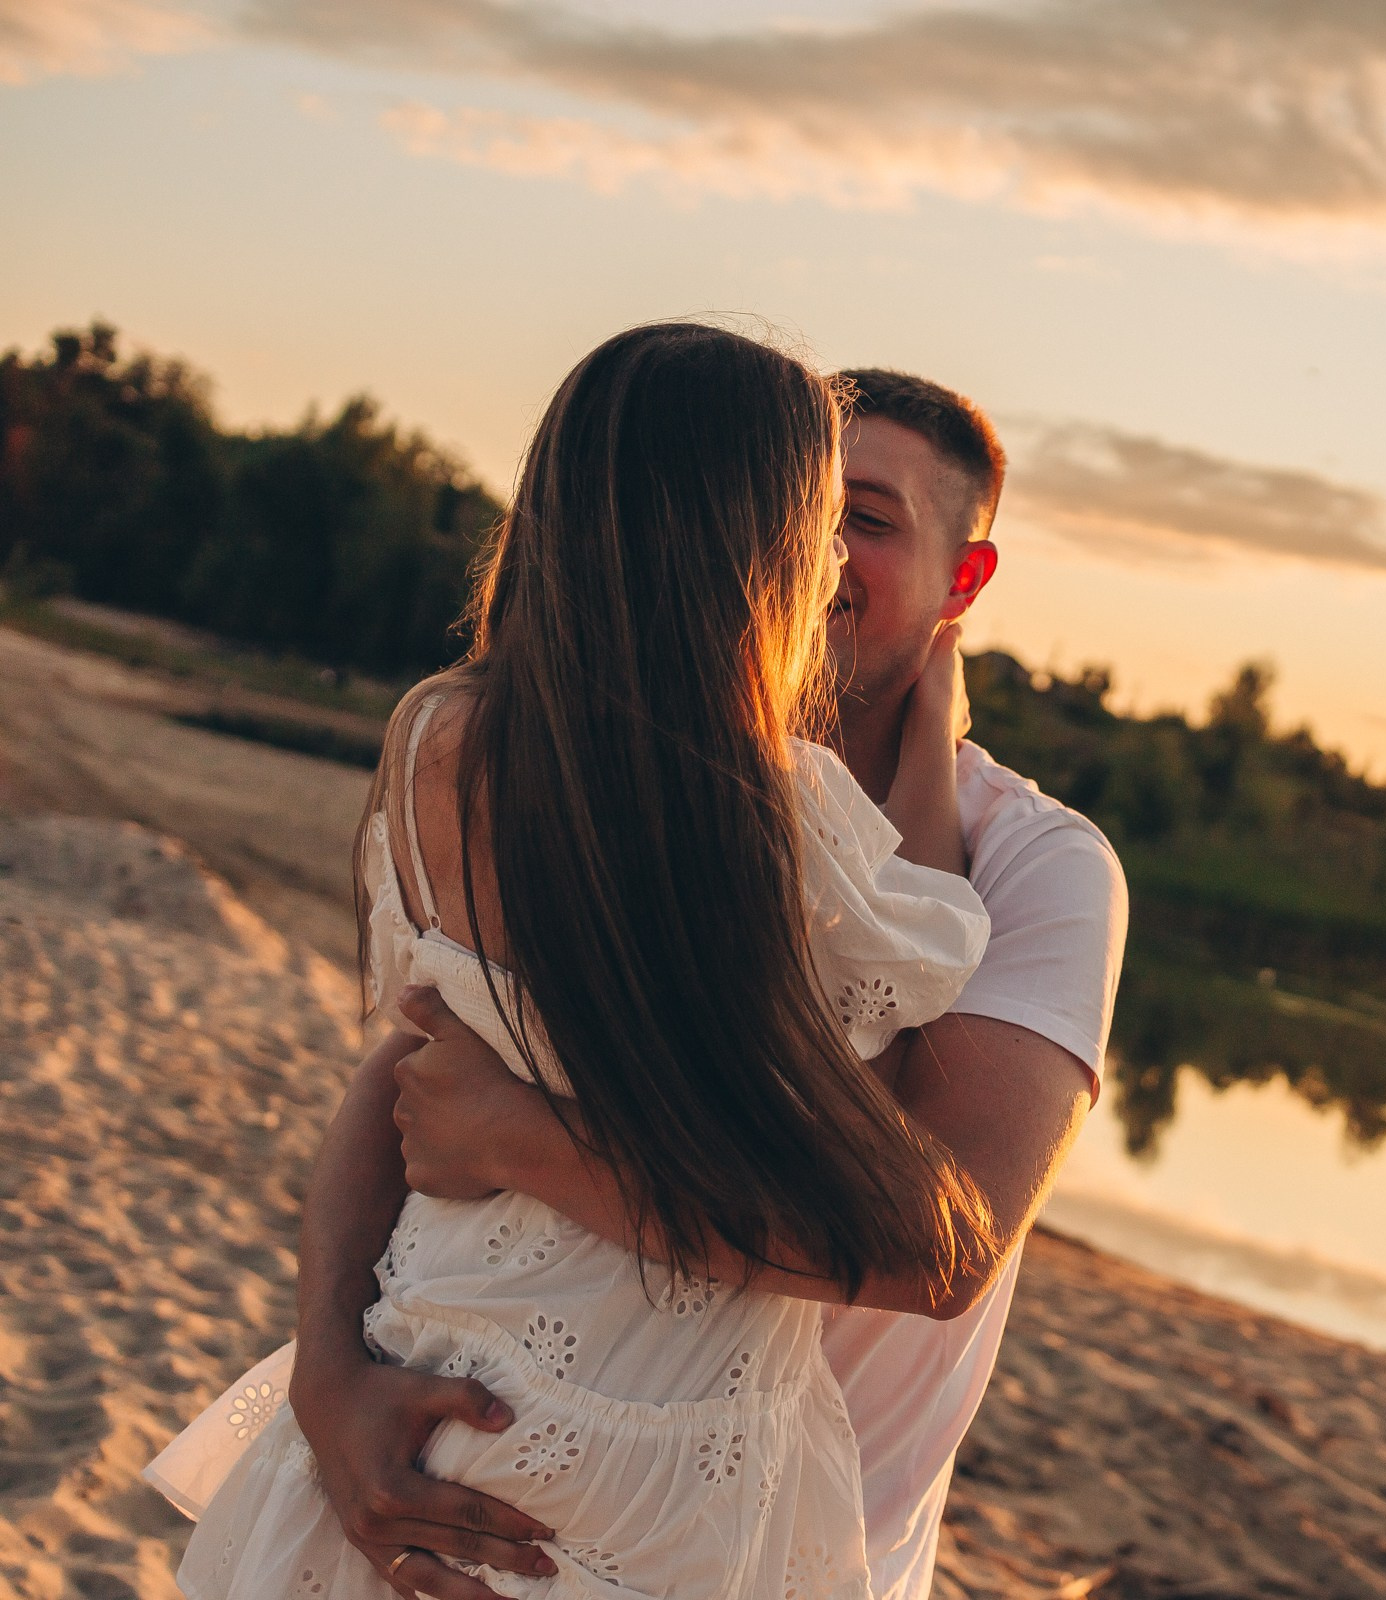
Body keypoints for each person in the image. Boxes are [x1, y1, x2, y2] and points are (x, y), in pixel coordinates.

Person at [188, 369, 1129, 1600]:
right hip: (502, 1444)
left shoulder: (1045, 865)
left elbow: (933, 1244)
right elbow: (417, 1072)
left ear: (963, 587)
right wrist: (324, 1373)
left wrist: (524, 1137)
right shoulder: (635, 767)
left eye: (875, 521)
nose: (828, 550)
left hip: (779, 1525)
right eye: (806, 510)